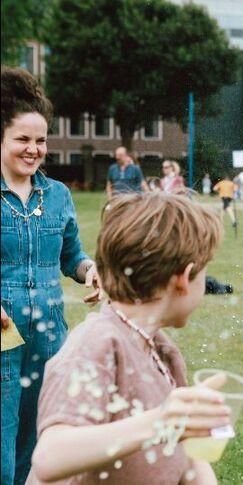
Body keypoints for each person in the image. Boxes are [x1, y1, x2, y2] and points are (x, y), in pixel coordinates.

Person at [26, 191, 229, 484]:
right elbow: (49, 457)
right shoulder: (97, 344)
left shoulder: (162, 350)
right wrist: (163, 420)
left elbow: (187, 457)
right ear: (184, 278)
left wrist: (184, 425)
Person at [1, 65, 100, 485]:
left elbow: (71, 255)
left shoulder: (57, 195)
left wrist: (91, 270)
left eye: (40, 140)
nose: (33, 149)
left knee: (42, 436)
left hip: (49, 336)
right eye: (22, 139)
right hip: (2, 338)